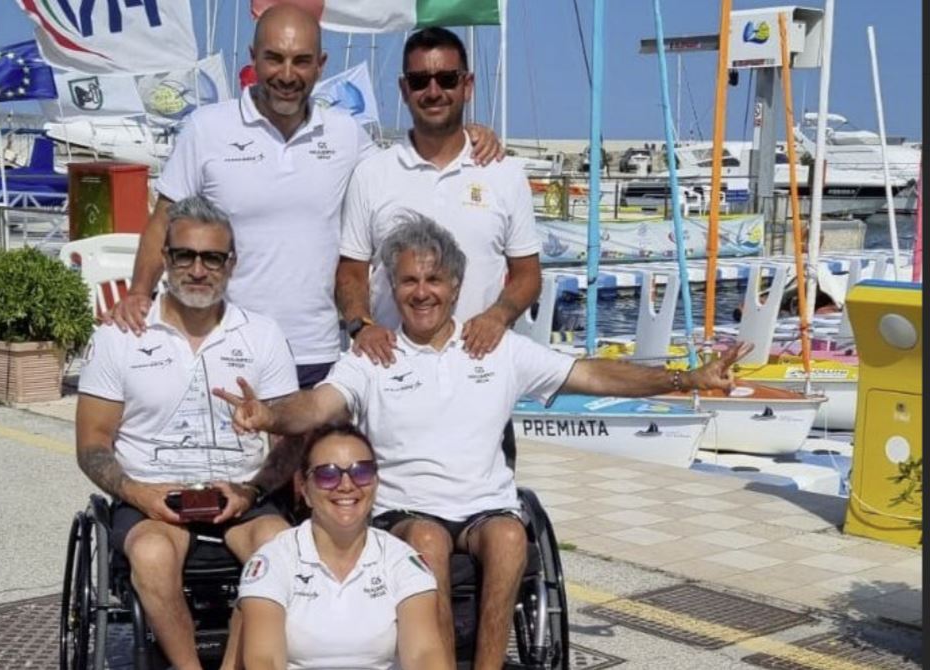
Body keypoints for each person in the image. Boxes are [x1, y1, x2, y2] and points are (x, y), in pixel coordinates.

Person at [216, 216, 753, 670]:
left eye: (433, 279)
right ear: (393, 289)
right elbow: (316, 407)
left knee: (511, 536)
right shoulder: (373, 355)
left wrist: (687, 378)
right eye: (408, 281)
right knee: (427, 541)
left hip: (484, 509)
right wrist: (269, 414)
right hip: (407, 511)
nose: (421, 292)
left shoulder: (496, 347)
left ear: (455, 285)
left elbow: (591, 375)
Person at [105, 3, 504, 390]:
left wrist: (466, 136)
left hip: (316, 354)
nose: (287, 74)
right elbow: (164, 219)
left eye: (301, 61)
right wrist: (139, 294)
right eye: (274, 59)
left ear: (320, 65)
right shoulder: (206, 128)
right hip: (224, 343)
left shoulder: (345, 134)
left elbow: (404, 169)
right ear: (253, 58)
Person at [75, 195, 302, 670]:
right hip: (150, 496)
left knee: (282, 549)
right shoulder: (119, 336)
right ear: (165, 259)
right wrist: (139, 493)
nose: (198, 270)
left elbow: (290, 439)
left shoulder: (262, 335)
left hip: (242, 494)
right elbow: (92, 442)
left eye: (212, 258)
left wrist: (252, 490)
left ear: (231, 264)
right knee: (152, 554)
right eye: (185, 256)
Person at [336, 26, 540, 466]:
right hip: (393, 384)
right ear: (403, 90)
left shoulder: (504, 174)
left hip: (480, 381)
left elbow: (527, 275)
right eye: (419, 81)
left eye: (447, 79)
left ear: (467, 85)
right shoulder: (373, 174)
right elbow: (350, 272)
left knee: (490, 502)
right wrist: (361, 326)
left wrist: (497, 316)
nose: (433, 91)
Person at [238, 423, 449, 670]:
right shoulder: (274, 560)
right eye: (327, 474)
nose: (346, 485)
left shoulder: (402, 562)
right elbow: (264, 660)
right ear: (305, 489)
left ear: (376, 483)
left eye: (361, 472)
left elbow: (424, 655)